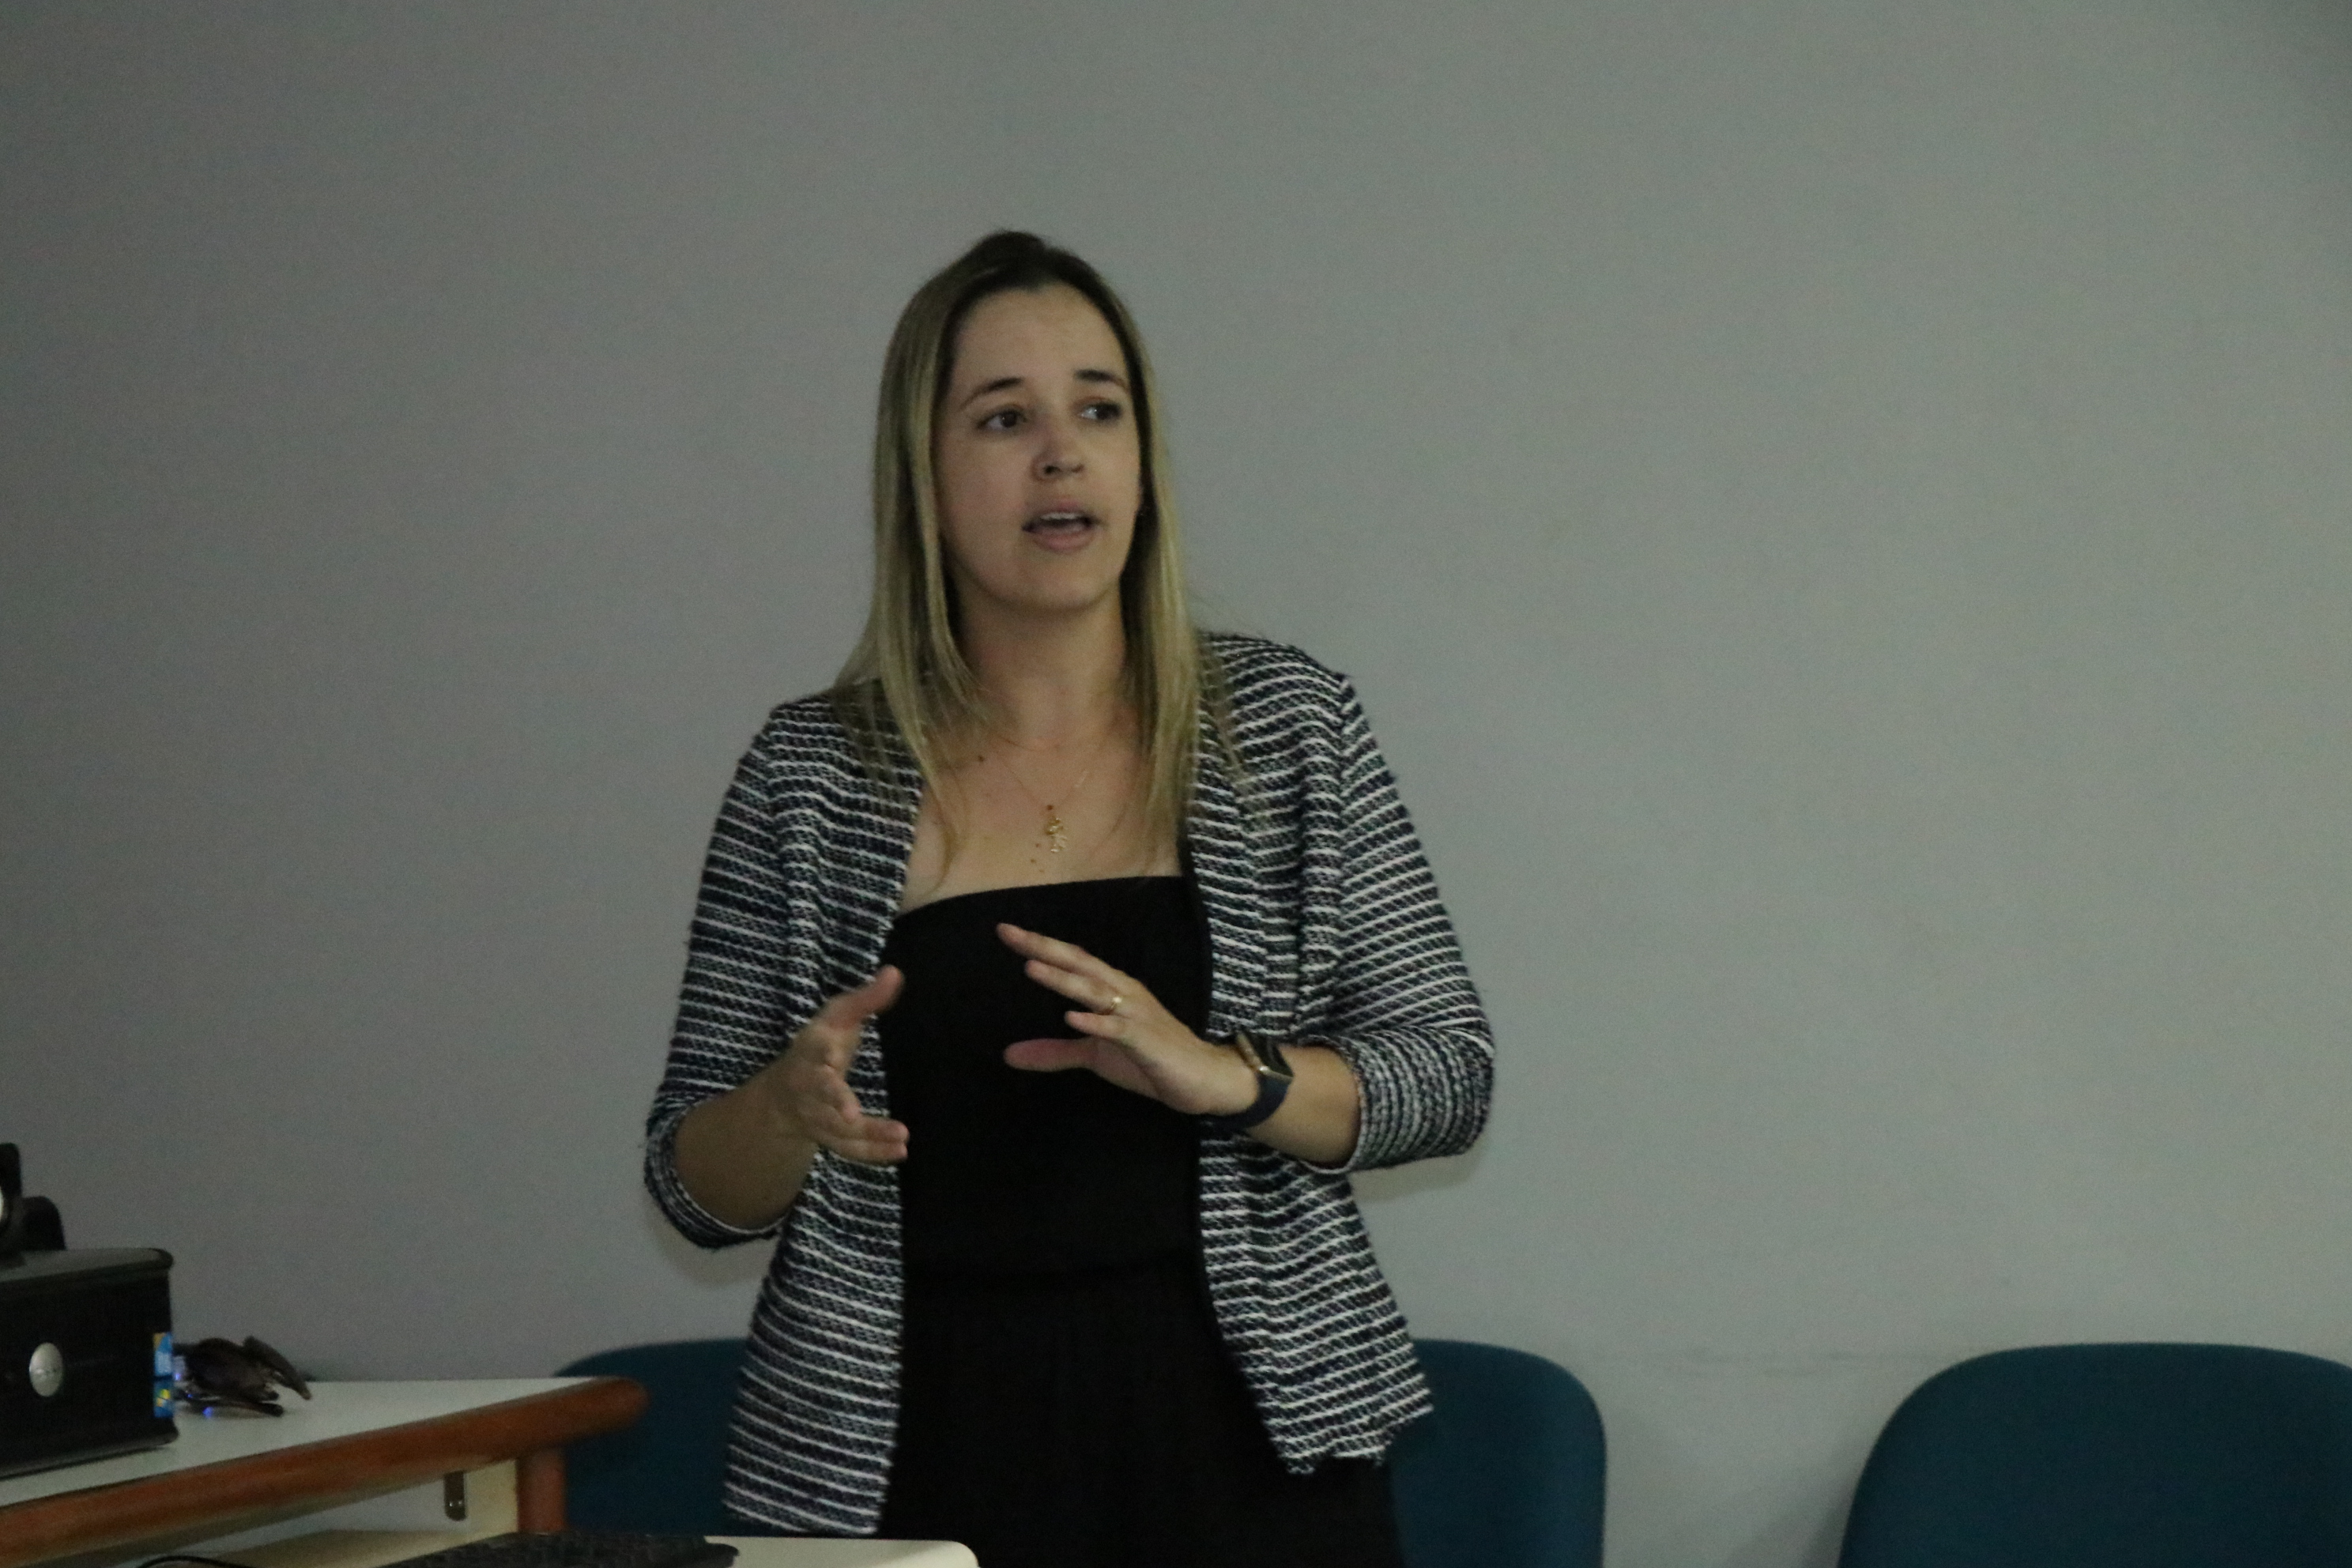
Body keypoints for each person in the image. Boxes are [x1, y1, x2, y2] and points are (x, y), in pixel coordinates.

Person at [643, 231, 1492, 1568]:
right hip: (918, 1444)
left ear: (1143, 463)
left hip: (1249, 1437)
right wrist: (784, 1113)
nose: (1062, 455)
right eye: (1005, 418)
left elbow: (1448, 1077)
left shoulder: (1284, 727)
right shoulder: (810, 775)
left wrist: (1228, 1077)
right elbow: (695, 1188)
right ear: (923, 476)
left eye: (1099, 410)